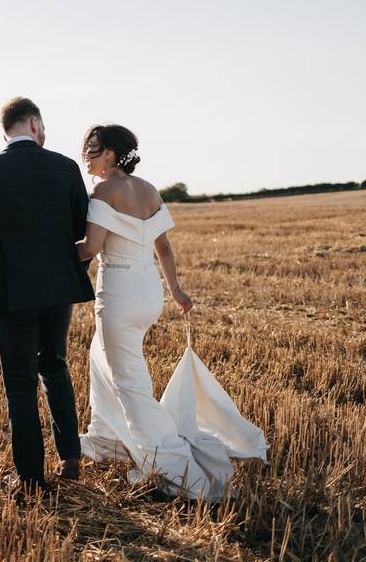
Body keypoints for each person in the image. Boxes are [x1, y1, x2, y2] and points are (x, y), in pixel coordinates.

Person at [75, 124, 268, 499]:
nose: (86, 155)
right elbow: (163, 248)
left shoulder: (102, 191)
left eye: (93, 149)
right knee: (99, 357)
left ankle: (177, 469)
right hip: (149, 293)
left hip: (119, 293)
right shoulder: (148, 190)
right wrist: (176, 290)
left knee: (131, 385)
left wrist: (46, 253)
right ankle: (106, 438)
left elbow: (89, 248)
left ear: (112, 154)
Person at [0, 97, 94, 493]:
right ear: (34, 123)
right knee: (55, 365)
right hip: (58, 290)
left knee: (19, 382)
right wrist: (70, 275)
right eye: (43, 124)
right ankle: (70, 456)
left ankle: (30, 476)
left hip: (11, 294)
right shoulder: (65, 168)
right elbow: (83, 234)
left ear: (5, 130)